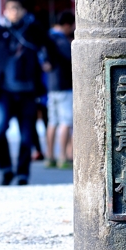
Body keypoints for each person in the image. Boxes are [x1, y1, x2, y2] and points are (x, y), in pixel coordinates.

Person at [0, 0, 47, 185]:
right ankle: (5, 168)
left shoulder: (34, 29)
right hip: (4, 90)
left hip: (28, 91)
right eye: (10, 8)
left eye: (17, 9)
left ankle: (22, 173)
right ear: (5, 10)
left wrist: (47, 63)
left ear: (23, 11)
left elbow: (48, 48)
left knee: (26, 134)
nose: (13, 12)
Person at [44, 11, 75, 169]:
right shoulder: (61, 40)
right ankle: (63, 157)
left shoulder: (48, 37)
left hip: (51, 85)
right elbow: (72, 58)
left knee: (52, 122)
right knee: (66, 122)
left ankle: (49, 156)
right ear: (67, 25)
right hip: (64, 85)